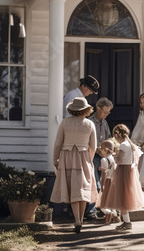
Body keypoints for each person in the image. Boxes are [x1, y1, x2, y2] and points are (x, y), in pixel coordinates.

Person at [50, 97, 98, 233]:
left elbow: (58, 143)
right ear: (86, 109)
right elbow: (93, 146)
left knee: (72, 188)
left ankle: (77, 219)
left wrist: (55, 159)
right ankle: (80, 219)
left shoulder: (65, 123)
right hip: (83, 157)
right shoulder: (89, 124)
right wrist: (89, 159)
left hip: (67, 157)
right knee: (82, 188)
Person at [104, 124, 144, 230]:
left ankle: (127, 222)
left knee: (122, 197)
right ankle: (126, 221)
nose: (115, 139)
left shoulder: (123, 145)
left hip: (123, 171)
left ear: (117, 134)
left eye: (115, 136)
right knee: (123, 197)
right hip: (129, 170)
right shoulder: (130, 144)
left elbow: (119, 160)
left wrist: (111, 155)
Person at [85, 97, 114, 219]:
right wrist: (98, 150)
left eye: (108, 112)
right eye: (105, 112)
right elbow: (87, 141)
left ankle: (102, 209)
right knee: (94, 184)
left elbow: (108, 138)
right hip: (93, 156)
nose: (107, 114)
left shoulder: (105, 123)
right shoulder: (90, 122)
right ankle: (90, 212)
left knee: (105, 185)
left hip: (104, 158)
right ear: (98, 108)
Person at [96, 139, 121, 224]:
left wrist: (102, 185)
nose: (100, 152)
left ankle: (108, 213)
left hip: (107, 181)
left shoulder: (103, 160)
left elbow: (104, 175)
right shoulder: (114, 159)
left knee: (101, 203)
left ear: (105, 149)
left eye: (101, 150)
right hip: (114, 182)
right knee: (111, 201)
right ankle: (115, 215)